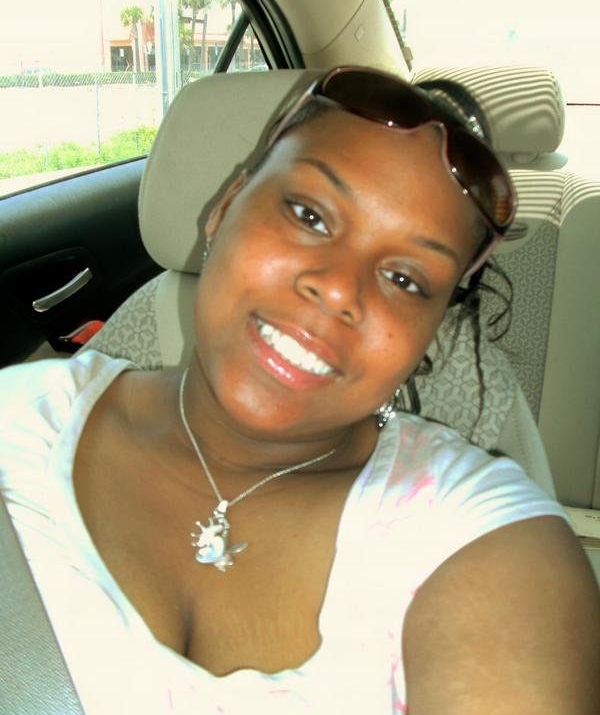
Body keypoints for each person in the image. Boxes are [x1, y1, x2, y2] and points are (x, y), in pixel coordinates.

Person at [1, 66, 598, 714]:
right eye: (309, 215)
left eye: (405, 279)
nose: (338, 289)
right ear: (225, 206)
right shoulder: (18, 422)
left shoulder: (482, 538)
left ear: (429, 332)